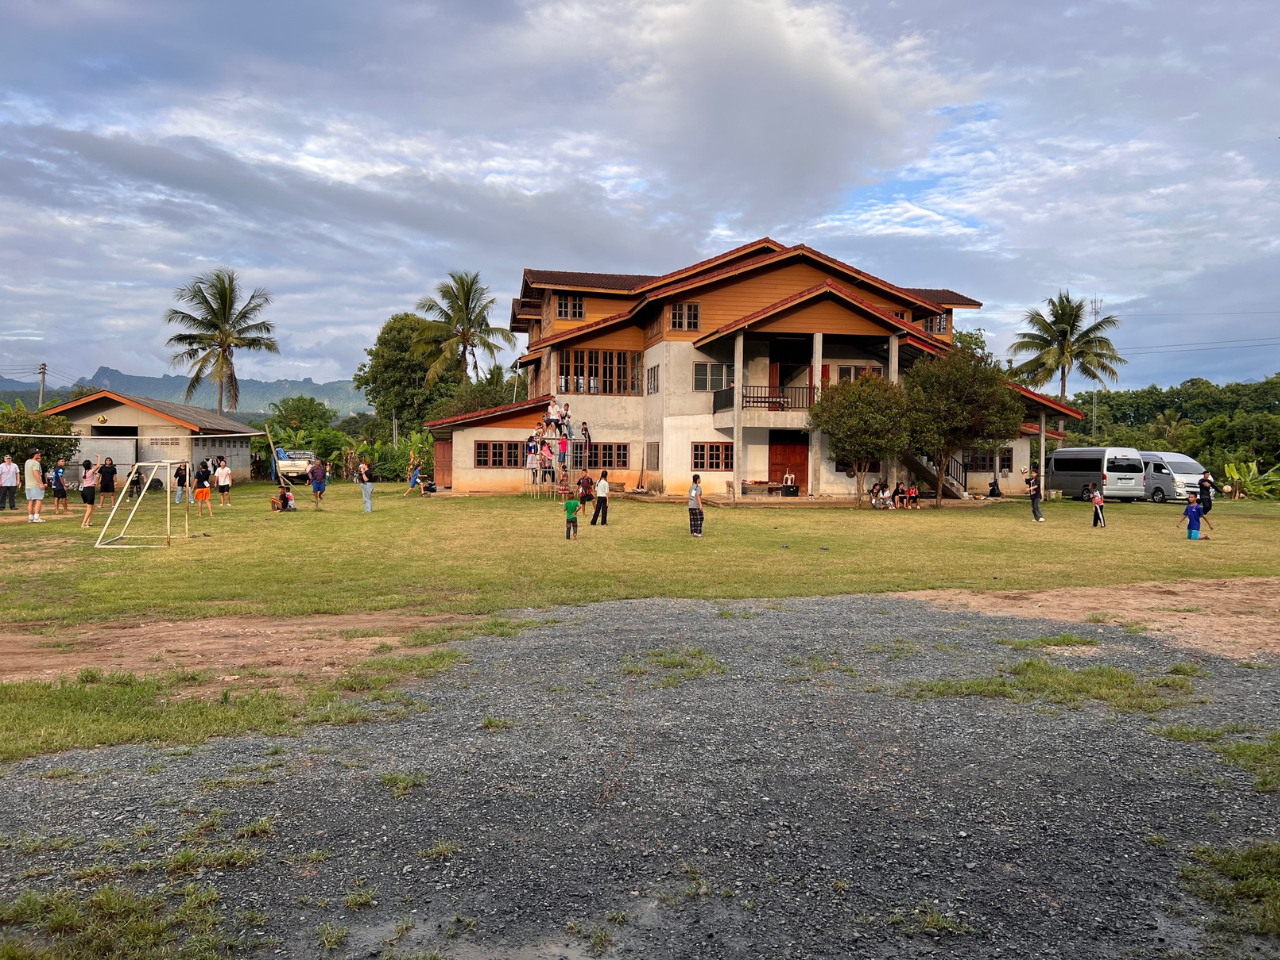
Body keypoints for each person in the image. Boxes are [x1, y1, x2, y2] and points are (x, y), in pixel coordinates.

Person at [24, 449, 45, 523]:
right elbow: (36, 473)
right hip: (35, 485)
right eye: (37, 453)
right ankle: (36, 517)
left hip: (28, 485)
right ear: (34, 454)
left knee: (30, 501)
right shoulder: (35, 463)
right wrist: (41, 483)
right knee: (38, 500)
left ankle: (30, 517)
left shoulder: (27, 462)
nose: (39, 454)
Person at [80, 456, 100, 528]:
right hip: (90, 490)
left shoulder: (84, 472)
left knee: (91, 506)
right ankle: (83, 524)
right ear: (90, 465)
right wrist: (99, 457)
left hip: (84, 490)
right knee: (89, 508)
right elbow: (98, 466)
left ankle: (88, 521)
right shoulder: (91, 472)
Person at [689, 472, 704, 537]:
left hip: (690, 505)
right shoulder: (698, 486)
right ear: (698, 479)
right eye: (700, 478)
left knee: (693, 518)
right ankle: (698, 532)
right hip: (695, 505)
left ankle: (694, 532)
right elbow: (697, 495)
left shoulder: (692, 487)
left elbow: (693, 495)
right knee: (699, 518)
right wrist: (700, 504)